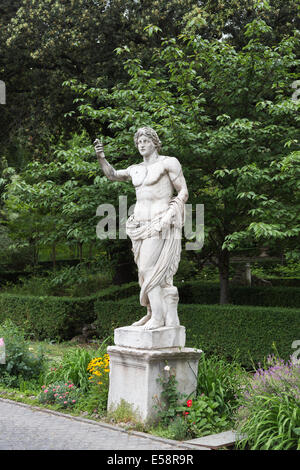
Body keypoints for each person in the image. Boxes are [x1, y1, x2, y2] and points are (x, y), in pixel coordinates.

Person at [94, 127, 188, 330]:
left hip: (160, 223)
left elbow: (183, 192)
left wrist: (170, 215)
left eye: (145, 140)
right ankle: (152, 312)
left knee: (148, 268)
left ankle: (158, 318)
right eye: (139, 142)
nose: (142, 145)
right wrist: (102, 158)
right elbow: (112, 175)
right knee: (143, 272)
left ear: (155, 142)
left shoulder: (168, 163)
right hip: (138, 227)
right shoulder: (134, 169)